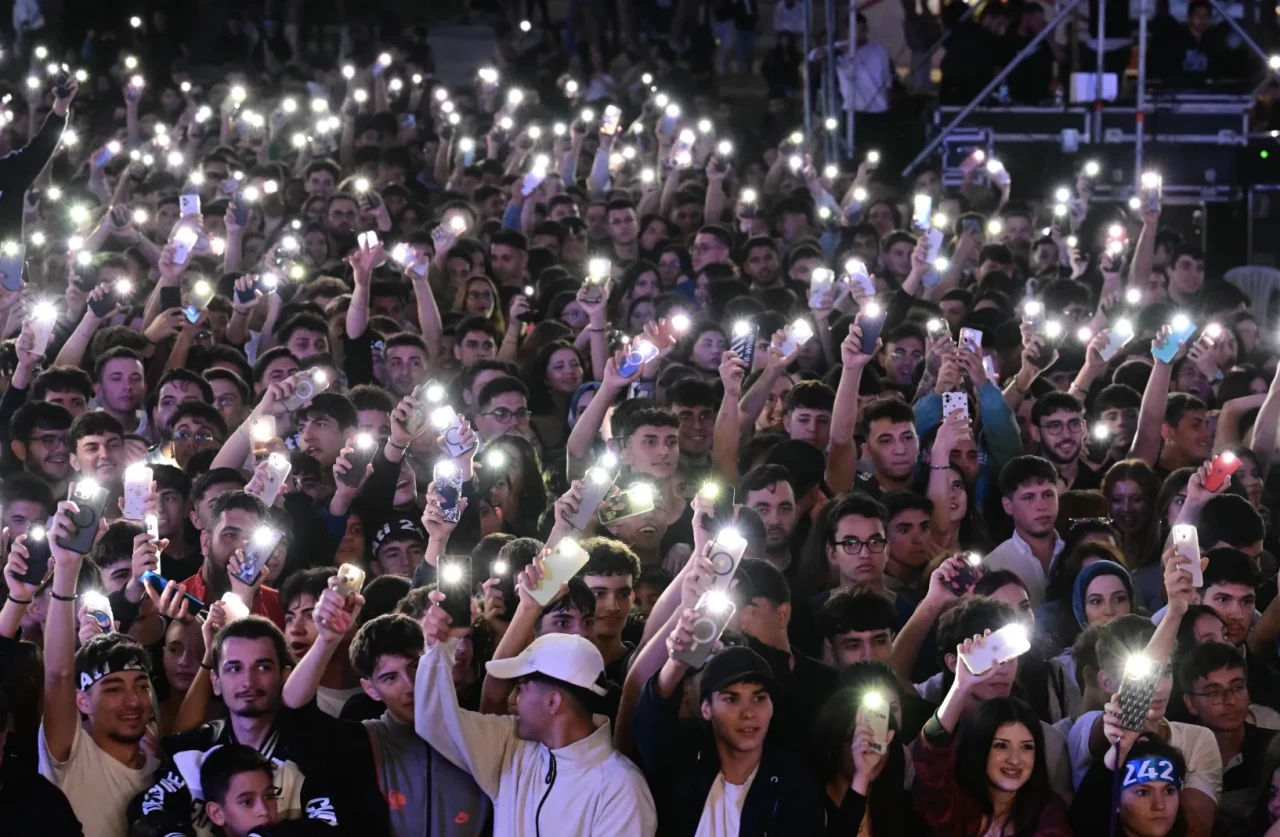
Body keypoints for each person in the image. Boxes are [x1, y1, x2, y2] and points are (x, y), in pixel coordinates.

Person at [418, 593, 658, 835]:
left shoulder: (621, 788)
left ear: (553, 702)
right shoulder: (512, 745)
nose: (514, 700)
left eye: (522, 688)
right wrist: (440, 648)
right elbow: (435, 722)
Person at [985, 455, 1064, 607]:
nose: (1041, 506)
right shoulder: (993, 566)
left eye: (1048, 494)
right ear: (1007, 505)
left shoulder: (1075, 551)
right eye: (1028, 497)